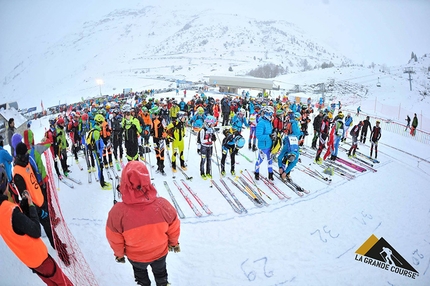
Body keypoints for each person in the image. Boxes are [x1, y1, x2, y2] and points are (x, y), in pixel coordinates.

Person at [106, 161, 180, 286]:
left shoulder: (117, 212)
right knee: (161, 273)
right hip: (159, 253)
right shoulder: (162, 205)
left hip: (136, 258)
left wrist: (119, 255)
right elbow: (174, 227)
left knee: (141, 276)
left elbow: (114, 238)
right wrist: (174, 243)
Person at [0, 166, 73, 285]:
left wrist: (24, 205)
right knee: (63, 283)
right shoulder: (9, 210)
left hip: (29, 260)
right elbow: (36, 230)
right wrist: (31, 206)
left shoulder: (5, 210)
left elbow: (17, 227)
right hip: (40, 258)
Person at [86, 114, 112, 190]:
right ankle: (102, 184)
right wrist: (99, 156)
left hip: (99, 152)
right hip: (97, 153)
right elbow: (97, 145)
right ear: (99, 122)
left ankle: (103, 181)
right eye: (102, 122)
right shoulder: (96, 132)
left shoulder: (96, 129)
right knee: (100, 167)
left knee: (101, 167)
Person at [254, 106, 274, 181]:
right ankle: (256, 172)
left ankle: (270, 174)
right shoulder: (261, 123)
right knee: (260, 160)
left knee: (270, 160)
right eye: (270, 114)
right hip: (264, 146)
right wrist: (269, 136)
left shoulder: (269, 122)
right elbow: (258, 136)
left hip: (270, 144)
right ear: (266, 113)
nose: (271, 116)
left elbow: (270, 132)